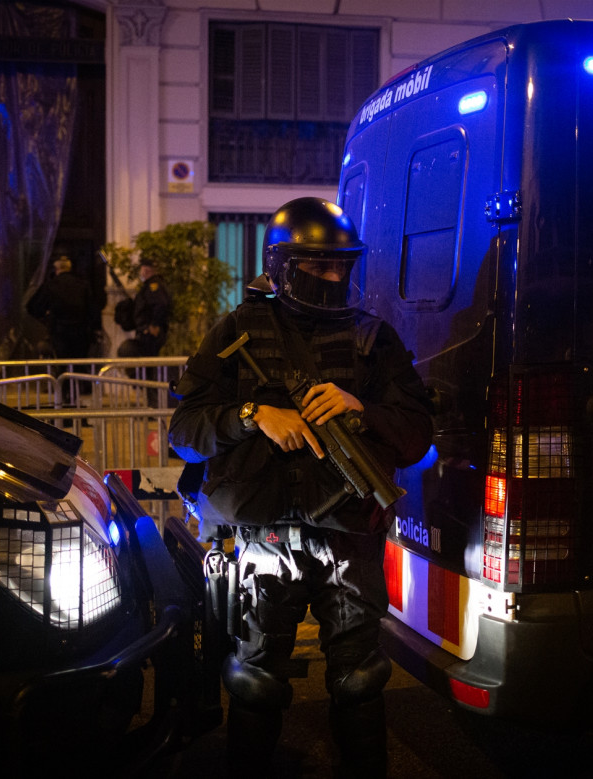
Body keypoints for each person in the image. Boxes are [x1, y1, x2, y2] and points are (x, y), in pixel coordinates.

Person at [168, 197, 433, 777]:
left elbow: (417, 435)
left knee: (360, 679)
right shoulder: (237, 330)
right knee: (256, 680)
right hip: (263, 539)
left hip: (348, 540)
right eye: (318, 265)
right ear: (284, 265)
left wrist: (360, 408)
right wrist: (251, 414)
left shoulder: (373, 339)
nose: (333, 277)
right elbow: (183, 432)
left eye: (341, 265)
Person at [27, 251, 97, 403]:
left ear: (56, 268)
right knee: (77, 370)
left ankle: (62, 403)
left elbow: (32, 307)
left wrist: (46, 318)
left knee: (61, 370)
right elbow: (93, 311)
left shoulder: (51, 285)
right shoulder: (82, 285)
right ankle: (75, 402)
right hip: (80, 336)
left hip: (59, 334)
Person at [116, 258, 171, 358]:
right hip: (145, 332)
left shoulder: (153, 286)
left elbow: (161, 305)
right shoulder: (148, 285)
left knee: (145, 358)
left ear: (145, 270)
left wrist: (153, 326)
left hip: (150, 335)